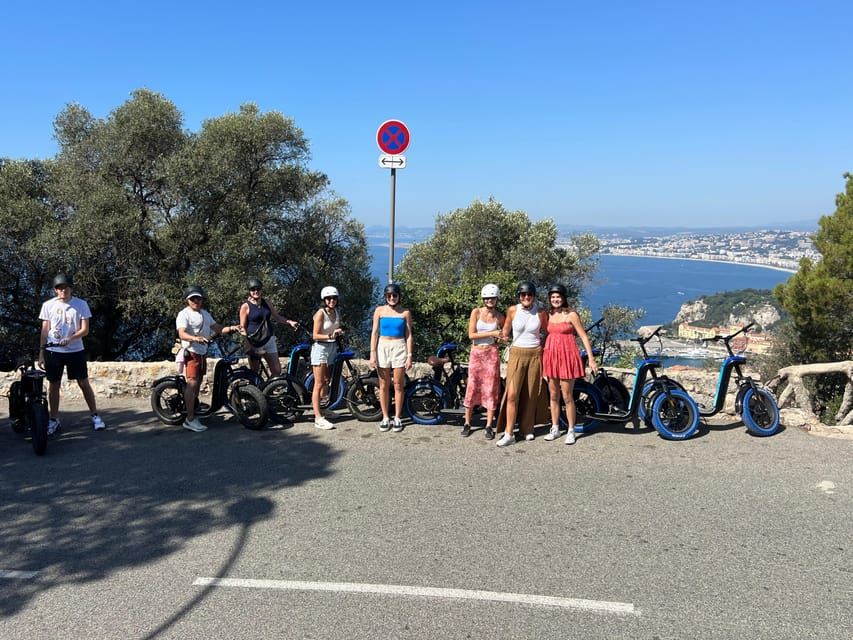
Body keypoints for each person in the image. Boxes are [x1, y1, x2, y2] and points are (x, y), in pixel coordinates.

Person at [37, 274, 105, 434]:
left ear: (71, 288)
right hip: (53, 351)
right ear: (55, 290)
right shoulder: (48, 305)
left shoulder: (81, 304)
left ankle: (95, 415)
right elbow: (45, 330)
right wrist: (41, 352)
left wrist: (70, 338)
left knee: (83, 382)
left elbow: (85, 329)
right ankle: (53, 419)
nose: (63, 290)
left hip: (75, 350)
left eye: (66, 287)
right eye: (60, 288)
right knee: (54, 385)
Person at [177, 285, 243, 433]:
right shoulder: (184, 314)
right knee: (192, 384)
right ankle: (190, 419)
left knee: (198, 383)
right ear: (188, 300)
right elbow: (181, 333)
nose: (196, 301)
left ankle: (193, 408)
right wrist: (195, 338)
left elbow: (218, 328)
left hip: (202, 353)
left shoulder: (205, 314)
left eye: (198, 298)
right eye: (193, 298)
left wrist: (233, 328)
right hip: (191, 352)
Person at [495, 281, 550, 447]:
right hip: (517, 353)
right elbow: (505, 331)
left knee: (532, 393)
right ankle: (509, 432)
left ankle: (527, 428)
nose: (526, 297)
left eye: (529, 294)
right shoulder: (512, 310)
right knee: (512, 394)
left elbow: (547, 333)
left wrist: (542, 348)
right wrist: (499, 336)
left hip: (534, 354)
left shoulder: (541, 313)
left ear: (533, 296)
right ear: (519, 296)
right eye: (523, 295)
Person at [542, 284, 598, 445]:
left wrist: (591, 358)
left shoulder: (571, 315)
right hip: (551, 356)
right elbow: (544, 335)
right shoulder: (549, 315)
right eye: (553, 297)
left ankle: (571, 430)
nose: (555, 299)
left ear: (564, 298)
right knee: (553, 395)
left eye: (558, 296)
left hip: (567, 356)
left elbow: (583, 336)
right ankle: (554, 427)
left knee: (567, 396)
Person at [462, 284, 505, 439]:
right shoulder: (476, 312)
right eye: (487, 298)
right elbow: (471, 335)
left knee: (491, 388)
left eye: (492, 298)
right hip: (477, 352)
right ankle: (467, 422)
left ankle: (488, 425)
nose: (489, 300)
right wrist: (492, 332)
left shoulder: (500, 316)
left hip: (491, 353)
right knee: (472, 386)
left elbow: (504, 334)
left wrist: (501, 337)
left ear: (496, 299)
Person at [369, 283, 413, 432]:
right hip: (383, 346)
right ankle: (385, 417)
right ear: (385, 297)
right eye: (389, 296)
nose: (392, 298)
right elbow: (374, 332)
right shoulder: (379, 311)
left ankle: (398, 417)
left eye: (394, 295)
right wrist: (372, 353)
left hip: (399, 346)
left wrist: (409, 355)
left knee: (398, 385)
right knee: (383, 384)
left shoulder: (405, 313)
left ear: (399, 296)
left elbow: (408, 335)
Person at [238, 277, 298, 377]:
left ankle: (269, 389)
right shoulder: (246, 306)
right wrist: (247, 342)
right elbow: (242, 327)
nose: (255, 291)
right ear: (249, 291)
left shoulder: (267, 302)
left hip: (268, 339)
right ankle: (255, 391)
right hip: (254, 342)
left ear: (261, 290)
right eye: (253, 289)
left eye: (258, 289)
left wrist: (289, 322)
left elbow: (277, 317)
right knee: (255, 372)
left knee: (276, 370)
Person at [310, 286, 344, 430]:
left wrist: (339, 332)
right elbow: (315, 335)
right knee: (318, 383)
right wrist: (330, 336)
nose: (332, 301)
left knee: (326, 381)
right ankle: (318, 417)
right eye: (329, 298)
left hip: (331, 348)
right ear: (324, 300)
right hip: (320, 348)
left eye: (334, 298)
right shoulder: (320, 314)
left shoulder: (336, 312)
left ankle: (324, 409)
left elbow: (335, 328)